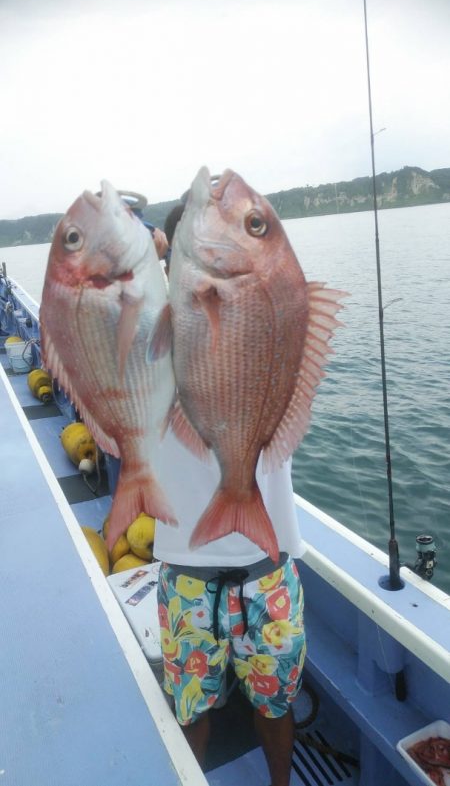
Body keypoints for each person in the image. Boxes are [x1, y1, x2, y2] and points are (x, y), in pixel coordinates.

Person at [153, 206, 306, 786]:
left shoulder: (272, 304)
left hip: (265, 565)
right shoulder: (154, 328)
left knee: (276, 707)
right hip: (190, 571)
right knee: (189, 711)